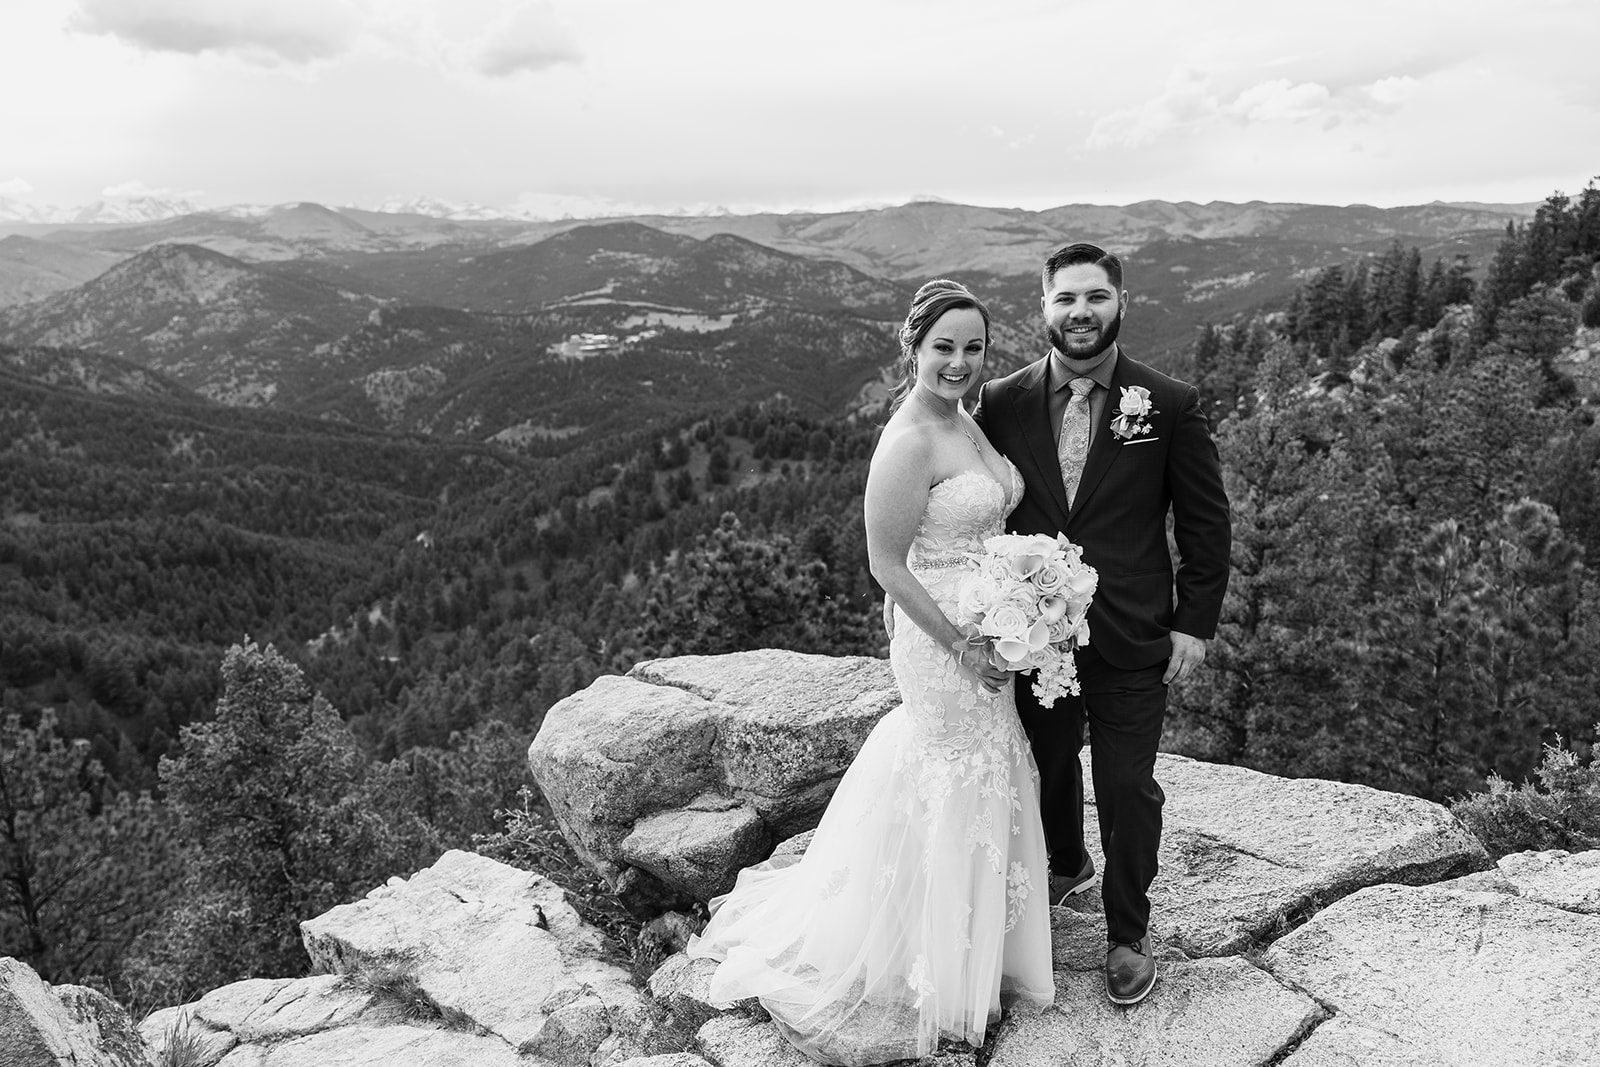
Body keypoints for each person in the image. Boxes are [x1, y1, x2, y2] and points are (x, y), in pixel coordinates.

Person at [686, 280, 1055, 1065]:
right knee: (953, 767)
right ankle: (930, 953)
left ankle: (980, 940)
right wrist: (961, 641)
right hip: (943, 639)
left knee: (986, 762)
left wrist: (1026, 594)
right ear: (913, 349)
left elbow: (984, 521)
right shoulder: (909, 439)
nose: (959, 362)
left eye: (973, 347)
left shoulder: (967, 419)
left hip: (993, 627)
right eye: (943, 348)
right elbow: (887, 565)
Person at [972, 241, 1231, 1005]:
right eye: (1065, 298)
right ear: (1043, 306)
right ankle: (1066, 862)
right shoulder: (1003, 402)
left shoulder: (1170, 404)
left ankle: (1127, 932)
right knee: (1047, 766)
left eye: (1094, 297)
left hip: (1133, 630)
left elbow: (1206, 525)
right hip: (1036, 633)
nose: (1079, 312)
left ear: (1120, 302)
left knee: (1125, 784)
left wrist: (1195, 623)